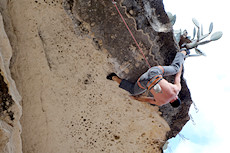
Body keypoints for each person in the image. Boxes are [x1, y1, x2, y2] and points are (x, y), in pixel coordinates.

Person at [107, 49, 189, 108]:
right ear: (171, 102)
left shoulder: (177, 90)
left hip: (155, 72)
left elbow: (178, 75)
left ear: (176, 98)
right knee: (133, 91)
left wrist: (181, 61)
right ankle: (114, 78)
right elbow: (145, 99)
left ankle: (184, 51)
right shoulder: (161, 102)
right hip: (144, 80)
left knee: (175, 68)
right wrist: (135, 98)